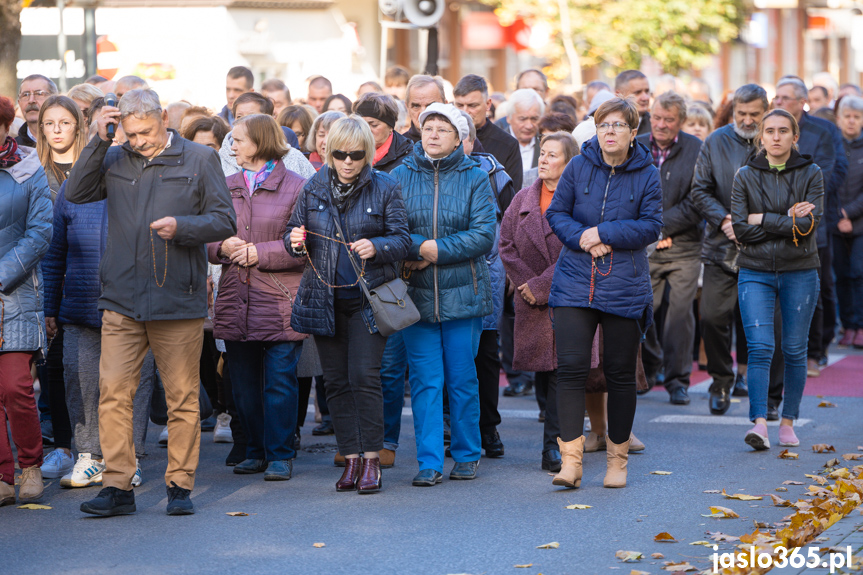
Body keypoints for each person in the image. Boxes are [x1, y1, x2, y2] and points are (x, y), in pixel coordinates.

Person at [66, 88, 236, 517]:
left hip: (178, 298)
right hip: (121, 298)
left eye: (145, 131)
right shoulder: (114, 154)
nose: (138, 140)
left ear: (163, 116)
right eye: (130, 132)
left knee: (181, 397)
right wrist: (98, 138)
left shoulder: (200, 158)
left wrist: (182, 226)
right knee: (113, 395)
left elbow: (223, 220)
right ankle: (117, 487)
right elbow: (75, 193)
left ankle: (179, 486)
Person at [287, 115, 410, 493]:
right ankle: (350, 457)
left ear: (367, 153)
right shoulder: (313, 187)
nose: (347, 162)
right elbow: (295, 241)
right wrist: (295, 241)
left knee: (363, 377)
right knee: (336, 382)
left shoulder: (385, 186)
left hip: (367, 300)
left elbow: (403, 240)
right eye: (340, 154)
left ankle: (372, 460)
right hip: (325, 299)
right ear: (328, 152)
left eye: (356, 155)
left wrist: (379, 246)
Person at [545, 97, 662, 489]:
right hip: (575, 280)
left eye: (617, 125)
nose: (609, 132)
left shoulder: (647, 173)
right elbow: (556, 214)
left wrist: (604, 233)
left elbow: (650, 227)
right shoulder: (578, 165)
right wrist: (582, 237)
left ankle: (617, 461)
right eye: (603, 125)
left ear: (633, 132)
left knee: (619, 373)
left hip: (624, 284)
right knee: (571, 370)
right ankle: (571, 462)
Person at [41, 123, 156, 488]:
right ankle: (89, 455)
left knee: (134, 384)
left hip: (137, 307)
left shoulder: (146, 190)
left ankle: (129, 458)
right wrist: (49, 308)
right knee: (81, 381)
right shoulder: (71, 195)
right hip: (81, 307)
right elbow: (54, 254)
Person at [391, 103, 496, 487]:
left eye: (443, 128)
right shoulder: (400, 175)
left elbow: (484, 235)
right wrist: (419, 247)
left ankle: (468, 454)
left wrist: (433, 250)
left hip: (463, 294)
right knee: (425, 381)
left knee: (462, 379)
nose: (433, 134)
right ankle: (430, 461)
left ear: (459, 138)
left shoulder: (475, 176)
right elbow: (392, 229)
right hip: (415, 296)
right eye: (428, 127)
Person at [208, 114, 307, 481]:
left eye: (237, 140)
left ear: (260, 143)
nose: (231, 146)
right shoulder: (224, 184)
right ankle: (254, 449)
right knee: (243, 384)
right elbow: (205, 235)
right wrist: (220, 246)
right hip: (236, 296)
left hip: (280, 299)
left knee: (279, 381)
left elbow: (303, 244)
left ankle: (280, 453)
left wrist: (259, 253)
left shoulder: (297, 187)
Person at [731, 109, 822, 450]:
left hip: (800, 270)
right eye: (770, 131)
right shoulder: (744, 175)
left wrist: (762, 219)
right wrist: (785, 219)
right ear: (761, 136)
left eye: (784, 131)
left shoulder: (812, 173)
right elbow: (740, 228)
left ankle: (788, 421)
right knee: (760, 347)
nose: (777, 137)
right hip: (754, 270)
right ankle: (759, 424)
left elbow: (808, 226)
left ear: (795, 136)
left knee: (795, 349)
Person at [499, 132, 579, 472]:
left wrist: (541, 285)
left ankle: (556, 446)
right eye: (541, 153)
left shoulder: (579, 200)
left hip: (567, 297)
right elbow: (505, 244)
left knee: (563, 370)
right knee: (545, 373)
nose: (543, 159)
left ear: (569, 161)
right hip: (529, 298)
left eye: (552, 155)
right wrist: (525, 284)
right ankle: (556, 439)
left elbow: (577, 248)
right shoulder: (522, 198)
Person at [691, 84, 769, 416]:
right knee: (711, 316)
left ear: (766, 110)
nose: (748, 120)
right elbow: (699, 190)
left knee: (756, 322)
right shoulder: (716, 141)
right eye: (742, 114)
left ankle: (760, 388)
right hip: (721, 246)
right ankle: (721, 379)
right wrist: (724, 219)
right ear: (733, 110)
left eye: (754, 114)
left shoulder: (777, 139)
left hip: (765, 246)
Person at [774, 76, 846, 381]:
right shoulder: (772, 128)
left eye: (784, 98)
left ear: (802, 101)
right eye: (776, 98)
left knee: (817, 287)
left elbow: (834, 169)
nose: (778, 103)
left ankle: (815, 350)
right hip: (777, 220)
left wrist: (804, 200)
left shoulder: (825, 129)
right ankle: (789, 351)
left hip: (815, 220)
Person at [0, 95, 54, 506]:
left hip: (15, 292)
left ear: (7, 127)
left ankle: (31, 466)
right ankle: (2, 476)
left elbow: (39, 234)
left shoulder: (29, 169)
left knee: (16, 386)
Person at [637, 92, 704, 405]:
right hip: (642, 247)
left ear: (681, 122)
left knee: (679, 316)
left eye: (669, 120)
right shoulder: (636, 145)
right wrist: (649, 231)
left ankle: (678, 380)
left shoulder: (696, 149)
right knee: (641, 311)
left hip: (684, 247)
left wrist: (661, 228)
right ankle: (650, 368)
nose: (661, 125)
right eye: (657, 118)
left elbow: (698, 200)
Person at [33, 95, 87, 480]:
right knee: (54, 365)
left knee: (89, 366)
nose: (56, 130)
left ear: (78, 126)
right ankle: (64, 445)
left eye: (64, 123)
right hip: (46, 275)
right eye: (49, 123)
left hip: (85, 275)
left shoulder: (93, 167)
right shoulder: (32, 169)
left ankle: (97, 446)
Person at [453, 74, 523, 196]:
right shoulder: (441, 139)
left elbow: (512, 198)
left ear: (488, 104)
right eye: (459, 105)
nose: (464, 111)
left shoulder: (508, 144)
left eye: (472, 105)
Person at [219, 93, 312, 179]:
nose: (244, 123)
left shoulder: (293, 157)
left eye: (252, 117)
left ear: (269, 120)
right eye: (239, 117)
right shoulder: (222, 159)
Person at [834, 95, 863, 348]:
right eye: (847, 117)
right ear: (839, 119)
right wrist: (837, 213)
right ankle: (848, 324)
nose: (852, 121)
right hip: (835, 222)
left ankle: (861, 325)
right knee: (841, 275)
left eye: (857, 117)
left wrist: (849, 214)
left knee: (859, 274)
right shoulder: (832, 145)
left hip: (860, 223)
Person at [354, 92, 413, 173]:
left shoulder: (409, 159)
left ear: (390, 127)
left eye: (374, 125)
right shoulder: (347, 152)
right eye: (361, 125)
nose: (366, 130)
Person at [506, 89, 544, 179]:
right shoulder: (496, 143)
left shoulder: (546, 143)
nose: (529, 126)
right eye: (522, 119)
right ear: (509, 118)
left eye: (534, 119)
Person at [16, 74, 59, 147]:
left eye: (39, 94)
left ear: (55, 100)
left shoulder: (72, 145)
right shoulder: (12, 151)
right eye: (25, 95)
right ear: (19, 103)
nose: (31, 100)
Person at [403, 75, 446, 142]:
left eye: (430, 105)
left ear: (445, 105)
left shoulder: (459, 143)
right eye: (416, 106)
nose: (423, 112)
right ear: (407, 108)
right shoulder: (398, 148)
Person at [615, 70, 652, 136]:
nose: (645, 98)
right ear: (619, 94)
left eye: (647, 91)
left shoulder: (655, 125)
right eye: (637, 92)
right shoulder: (607, 125)